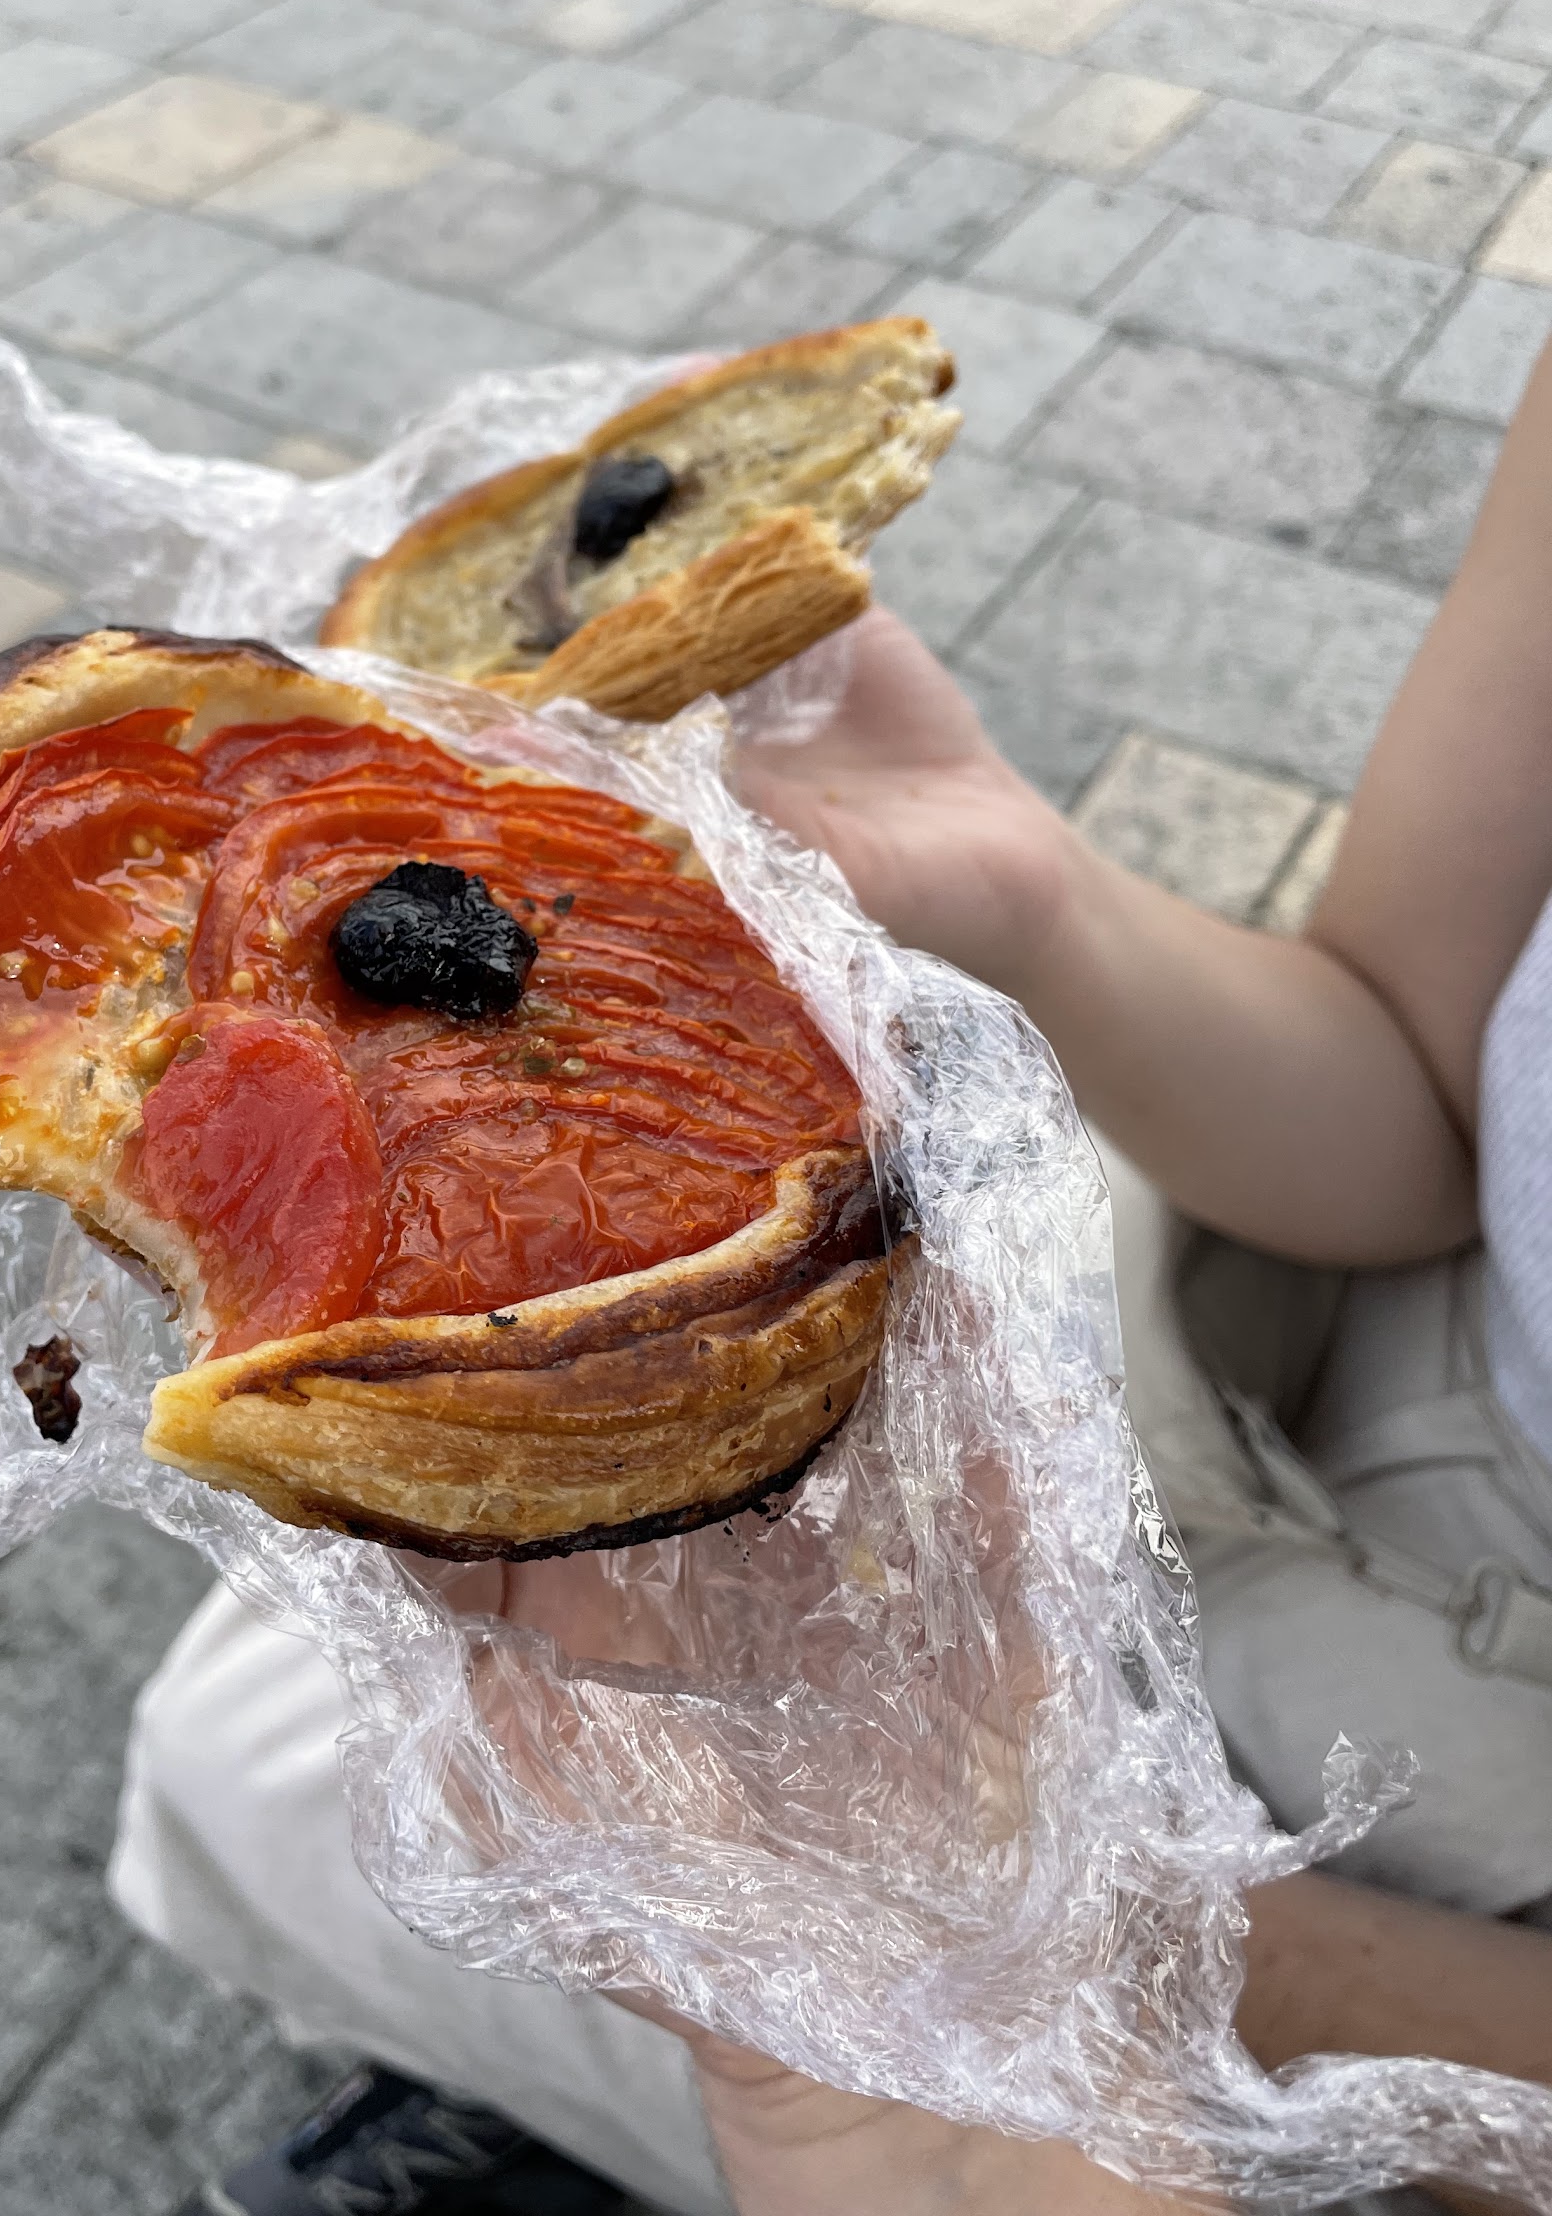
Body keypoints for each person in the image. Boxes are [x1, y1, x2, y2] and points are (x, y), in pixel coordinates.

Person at [120, 339, 1552, 2216]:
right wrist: (1020, 881)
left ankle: (575, 2109)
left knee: (286, 1765)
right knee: (339, 1666)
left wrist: (1047, 1973)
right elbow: (1421, 1098)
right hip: (1387, 1324)